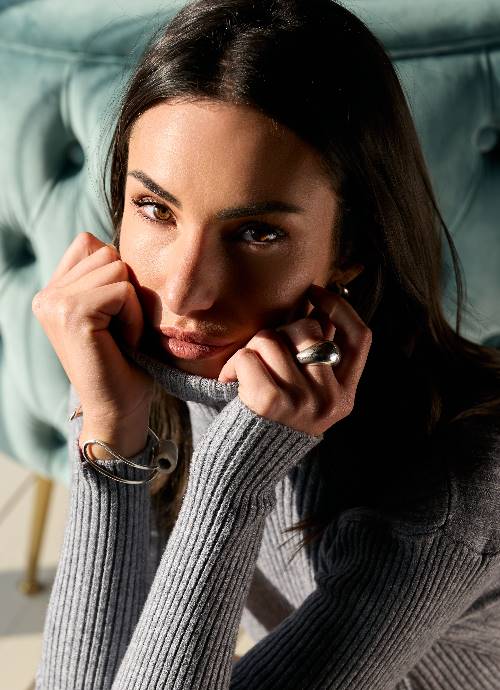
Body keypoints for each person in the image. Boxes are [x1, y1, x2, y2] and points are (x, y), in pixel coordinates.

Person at [32, 0, 500, 688]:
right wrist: (109, 429)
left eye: (256, 233)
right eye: (155, 210)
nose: (185, 292)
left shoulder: (455, 496)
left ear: (351, 248)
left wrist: (233, 480)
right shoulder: (162, 370)